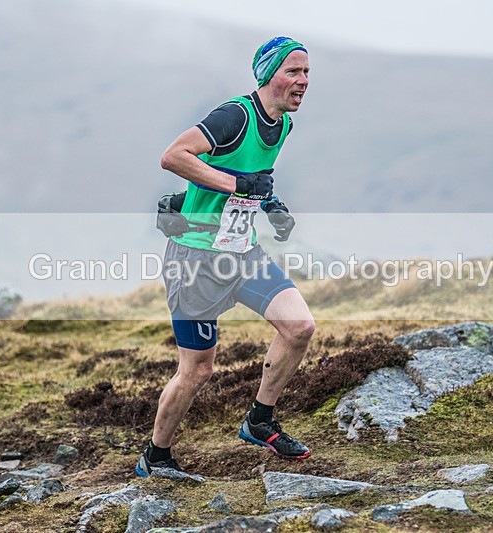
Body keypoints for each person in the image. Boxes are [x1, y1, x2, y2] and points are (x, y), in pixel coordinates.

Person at [136, 36, 315, 477]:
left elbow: (255, 176)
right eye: (294, 71)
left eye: (307, 73)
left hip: (240, 251)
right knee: (197, 371)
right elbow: (173, 156)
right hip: (195, 258)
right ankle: (156, 457)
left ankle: (259, 420)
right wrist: (237, 187)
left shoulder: (282, 126)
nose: (303, 81)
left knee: (299, 327)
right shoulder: (236, 115)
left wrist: (271, 205)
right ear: (269, 74)